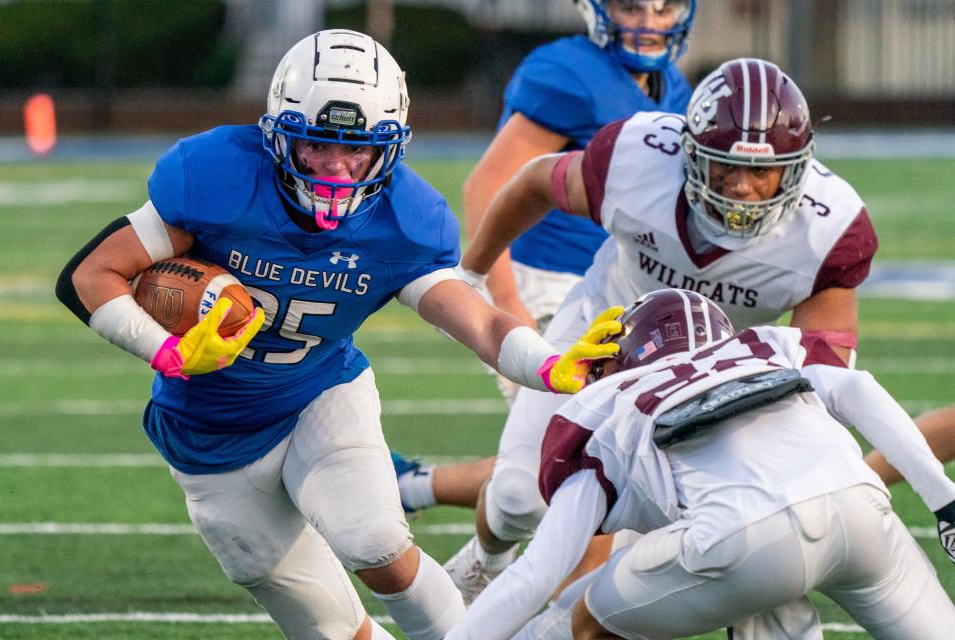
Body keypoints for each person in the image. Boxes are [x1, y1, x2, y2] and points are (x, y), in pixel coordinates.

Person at [53, 30, 620, 640]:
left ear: (391, 149)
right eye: (317, 145)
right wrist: (165, 349)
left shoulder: (406, 219)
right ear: (279, 136)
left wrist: (548, 365)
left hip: (319, 397)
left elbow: (477, 318)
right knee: (328, 627)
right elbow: (88, 275)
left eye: (359, 151)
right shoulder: (218, 176)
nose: (337, 168)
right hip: (205, 435)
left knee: (376, 542)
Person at [436, 56, 883, 603]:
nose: (741, 188)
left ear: (796, 170)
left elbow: (824, 370)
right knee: (516, 496)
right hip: (604, 330)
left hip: (712, 373)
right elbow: (533, 183)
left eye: (761, 172)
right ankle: (487, 557)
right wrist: (473, 273)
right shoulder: (636, 158)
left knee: (720, 526)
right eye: (724, 167)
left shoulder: (829, 227)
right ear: (690, 152)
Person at [446, 289, 955, 640]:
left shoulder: (608, 401)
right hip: (862, 510)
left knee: (592, 620)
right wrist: (944, 499)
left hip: (742, 542)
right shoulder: (767, 344)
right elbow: (859, 389)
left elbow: (535, 576)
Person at [395, 0, 697, 550]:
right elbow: (488, 185)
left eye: (663, 6)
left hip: (615, 291)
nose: (649, 21)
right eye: (632, 5)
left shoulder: (672, 84)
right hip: (545, 283)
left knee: (566, 468)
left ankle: (421, 493)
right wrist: (511, 308)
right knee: (598, 466)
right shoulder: (567, 72)